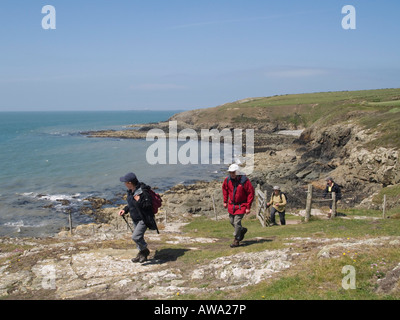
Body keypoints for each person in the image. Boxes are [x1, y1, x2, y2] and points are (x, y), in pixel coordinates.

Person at [118, 172, 154, 263]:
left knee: (135, 237)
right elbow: (131, 204)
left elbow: (148, 205)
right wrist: (125, 210)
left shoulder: (142, 191)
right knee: (139, 237)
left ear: (130, 183)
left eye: (125, 182)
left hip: (144, 219)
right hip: (135, 218)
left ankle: (145, 251)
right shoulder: (131, 191)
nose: (124, 184)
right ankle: (141, 255)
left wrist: (139, 201)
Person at [222, 164, 255, 248]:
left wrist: (248, 207)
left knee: (237, 222)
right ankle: (242, 230)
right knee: (232, 221)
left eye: (233, 172)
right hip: (232, 205)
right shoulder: (228, 180)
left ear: (237, 172)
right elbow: (225, 189)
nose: (232, 174)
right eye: (230, 172)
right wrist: (225, 201)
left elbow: (250, 193)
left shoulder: (244, 181)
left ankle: (236, 240)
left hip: (242, 205)